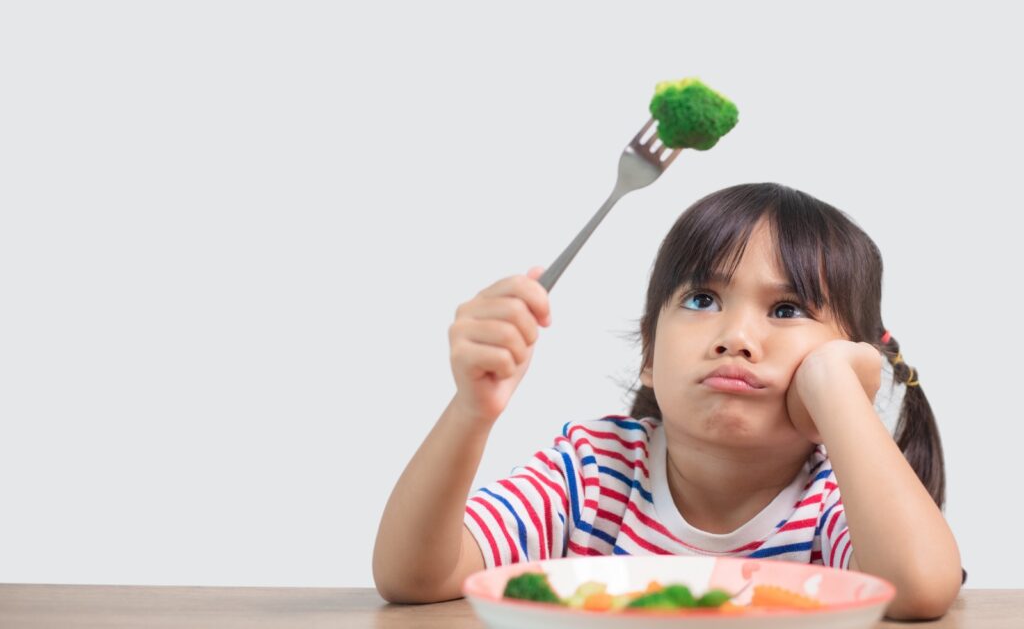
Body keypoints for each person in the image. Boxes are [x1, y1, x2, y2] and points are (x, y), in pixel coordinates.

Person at [372, 182, 962, 619]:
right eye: (703, 299)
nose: (736, 337)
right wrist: (471, 413)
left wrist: (838, 391)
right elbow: (415, 577)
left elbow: (918, 588)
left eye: (787, 311)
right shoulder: (593, 471)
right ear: (649, 355)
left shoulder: (836, 499)